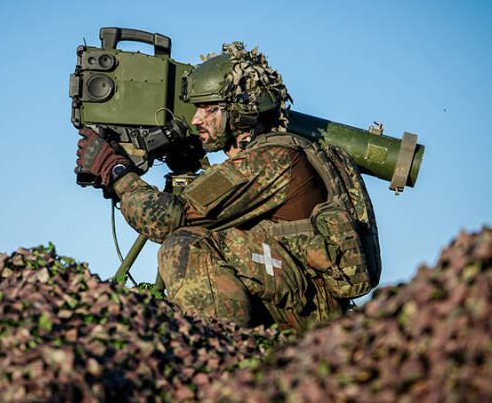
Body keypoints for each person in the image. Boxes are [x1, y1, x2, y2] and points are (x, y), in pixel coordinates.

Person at [76, 42, 378, 331]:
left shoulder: (270, 159)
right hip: (297, 297)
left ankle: (220, 346)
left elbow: (166, 219)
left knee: (184, 245)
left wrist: (115, 170)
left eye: (209, 109)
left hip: (308, 311)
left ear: (241, 112)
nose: (196, 119)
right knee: (198, 233)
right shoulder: (271, 155)